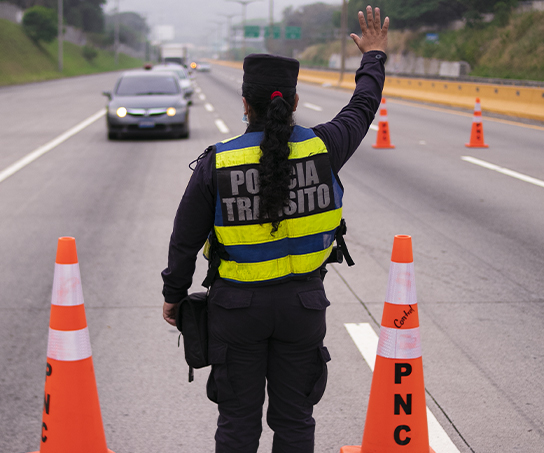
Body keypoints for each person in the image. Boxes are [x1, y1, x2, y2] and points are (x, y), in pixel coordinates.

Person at [161, 6, 389, 453]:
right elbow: (363, 106)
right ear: (295, 103)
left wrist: (174, 296)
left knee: (238, 424)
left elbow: (184, 240)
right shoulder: (325, 147)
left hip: (237, 312)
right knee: (295, 419)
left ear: (245, 103)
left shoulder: (217, 164)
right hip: (303, 307)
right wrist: (374, 56)